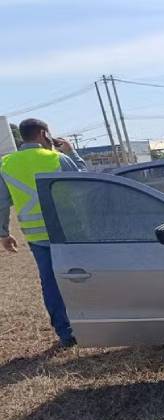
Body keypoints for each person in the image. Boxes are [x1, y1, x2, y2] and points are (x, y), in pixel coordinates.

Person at [0, 118, 87, 348]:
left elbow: (1, 203)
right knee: (85, 274)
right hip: (68, 232)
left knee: (49, 281)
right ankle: (94, 321)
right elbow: (84, 182)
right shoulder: (57, 158)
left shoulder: (6, 163)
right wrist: (72, 152)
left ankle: (65, 332)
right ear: (43, 133)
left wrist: (4, 234)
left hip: (36, 236)